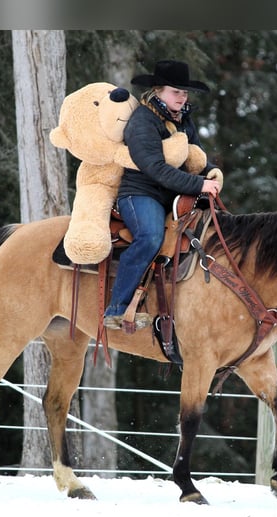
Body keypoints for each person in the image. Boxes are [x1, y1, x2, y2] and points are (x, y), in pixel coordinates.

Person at [103, 59, 223, 330]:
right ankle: (117, 309)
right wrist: (198, 185)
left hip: (174, 192)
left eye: (184, 92)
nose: (181, 97)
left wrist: (212, 172)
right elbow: (154, 168)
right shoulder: (142, 121)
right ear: (158, 90)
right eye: (175, 91)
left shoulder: (184, 119)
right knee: (150, 237)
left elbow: (197, 156)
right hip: (140, 192)